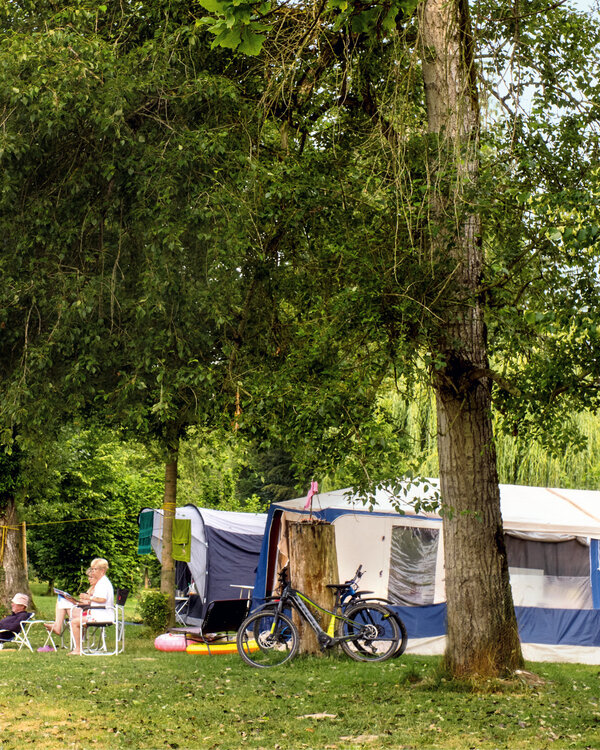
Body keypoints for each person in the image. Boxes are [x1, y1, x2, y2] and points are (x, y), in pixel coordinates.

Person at [44, 558, 114, 655]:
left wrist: (88, 597)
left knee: (75, 622)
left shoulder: (103, 583)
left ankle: (78, 649)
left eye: (95, 569)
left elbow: (102, 599)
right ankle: (77, 647)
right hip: (98, 613)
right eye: (92, 569)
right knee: (76, 620)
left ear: (102, 570)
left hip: (101, 615)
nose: (93, 572)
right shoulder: (102, 582)